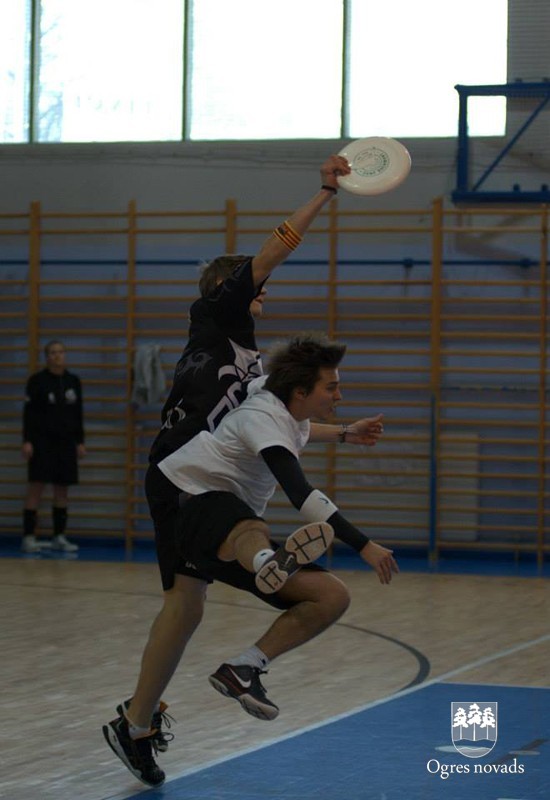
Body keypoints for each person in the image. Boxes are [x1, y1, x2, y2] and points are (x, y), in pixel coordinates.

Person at [102, 157, 386, 787]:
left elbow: (278, 425)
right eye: (257, 287)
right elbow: (278, 246)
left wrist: (344, 431)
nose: (264, 295)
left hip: (197, 479)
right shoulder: (216, 316)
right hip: (186, 478)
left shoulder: (251, 361)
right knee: (228, 539)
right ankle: (264, 562)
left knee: (185, 606)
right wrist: (326, 192)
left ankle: (136, 722)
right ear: (233, 288)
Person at [21, 340, 85, 553]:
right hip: (41, 442)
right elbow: (29, 414)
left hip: (66, 443)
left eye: (61, 352)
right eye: (53, 352)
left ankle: (59, 536)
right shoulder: (37, 381)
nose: (58, 356)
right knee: (36, 488)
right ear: (47, 357)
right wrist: (27, 441)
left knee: (62, 489)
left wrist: (80, 442)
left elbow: (78, 414)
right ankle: (28, 537)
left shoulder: (73, 381)